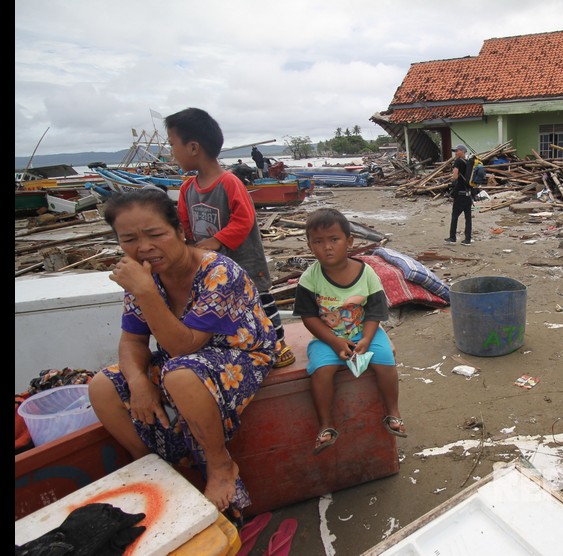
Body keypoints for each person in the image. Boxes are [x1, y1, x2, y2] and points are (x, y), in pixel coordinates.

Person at [87, 188, 277, 527]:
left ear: (179, 231)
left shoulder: (219, 271)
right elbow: (132, 341)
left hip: (241, 353)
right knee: (103, 385)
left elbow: (184, 347)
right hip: (184, 359)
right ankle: (154, 466)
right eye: (128, 239)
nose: (143, 247)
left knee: (180, 373)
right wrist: (137, 382)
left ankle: (220, 464)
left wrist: (146, 292)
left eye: (155, 234)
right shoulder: (143, 277)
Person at [165, 108, 295, 368]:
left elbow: (244, 219)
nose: (171, 153)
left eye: (172, 145)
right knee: (223, 305)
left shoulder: (229, 182)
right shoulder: (187, 188)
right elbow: (185, 226)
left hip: (244, 260)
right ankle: (244, 345)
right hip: (210, 266)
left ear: (193, 148)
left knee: (261, 300)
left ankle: (278, 343)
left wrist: (216, 241)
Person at [293, 208, 407, 455]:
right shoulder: (309, 279)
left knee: (386, 361)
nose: (327, 247)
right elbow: (309, 317)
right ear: (310, 246)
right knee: (322, 372)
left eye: (334, 239)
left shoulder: (366, 274)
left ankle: (393, 412)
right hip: (328, 337)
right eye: (318, 242)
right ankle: (326, 425)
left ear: (349, 241)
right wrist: (334, 342)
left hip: (364, 331)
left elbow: (375, 312)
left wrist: (367, 338)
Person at [445, 144, 474, 245]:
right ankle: (468, 239)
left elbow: (455, 176)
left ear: (462, 151)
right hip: (468, 194)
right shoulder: (468, 162)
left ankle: (452, 238)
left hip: (460, 194)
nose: (455, 153)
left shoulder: (458, 161)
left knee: (454, 216)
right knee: (468, 218)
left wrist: (453, 182)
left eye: (457, 151)